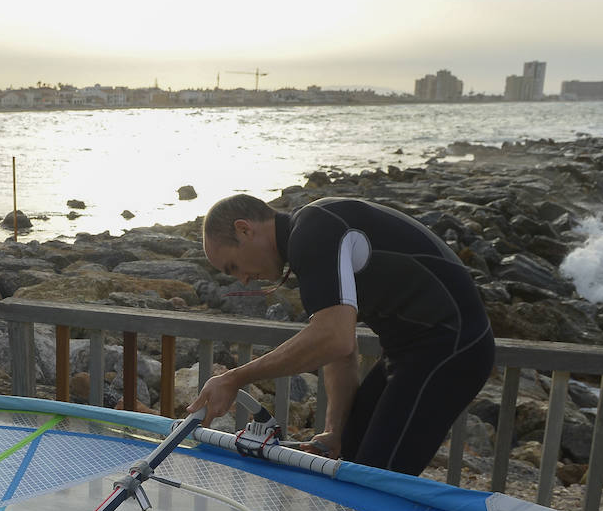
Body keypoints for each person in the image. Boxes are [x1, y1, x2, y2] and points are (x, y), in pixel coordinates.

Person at [189, 193, 495, 476]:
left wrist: (234, 378)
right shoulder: (307, 235)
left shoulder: (314, 231)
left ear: (244, 230)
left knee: (373, 485)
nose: (242, 279)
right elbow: (338, 349)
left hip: (452, 348)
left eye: (233, 266)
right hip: (411, 351)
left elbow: (334, 337)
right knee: (351, 455)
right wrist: (335, 430)